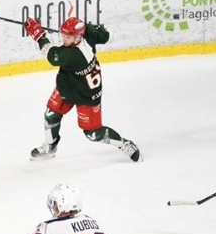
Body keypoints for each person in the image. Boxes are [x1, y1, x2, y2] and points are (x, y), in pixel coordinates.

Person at [23, 16, 141, 163]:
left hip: (87, 94)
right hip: (69, 84)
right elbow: (105, 36)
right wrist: (95, 29)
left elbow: (51, 56)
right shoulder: (87, 33)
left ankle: (124, 144)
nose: (64, 40)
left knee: (93, 133)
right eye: (63, 35)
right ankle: (50, 147)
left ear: (78, 36)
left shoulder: (73, 55)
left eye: (68, 37)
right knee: (51, 114)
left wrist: (39, 36)